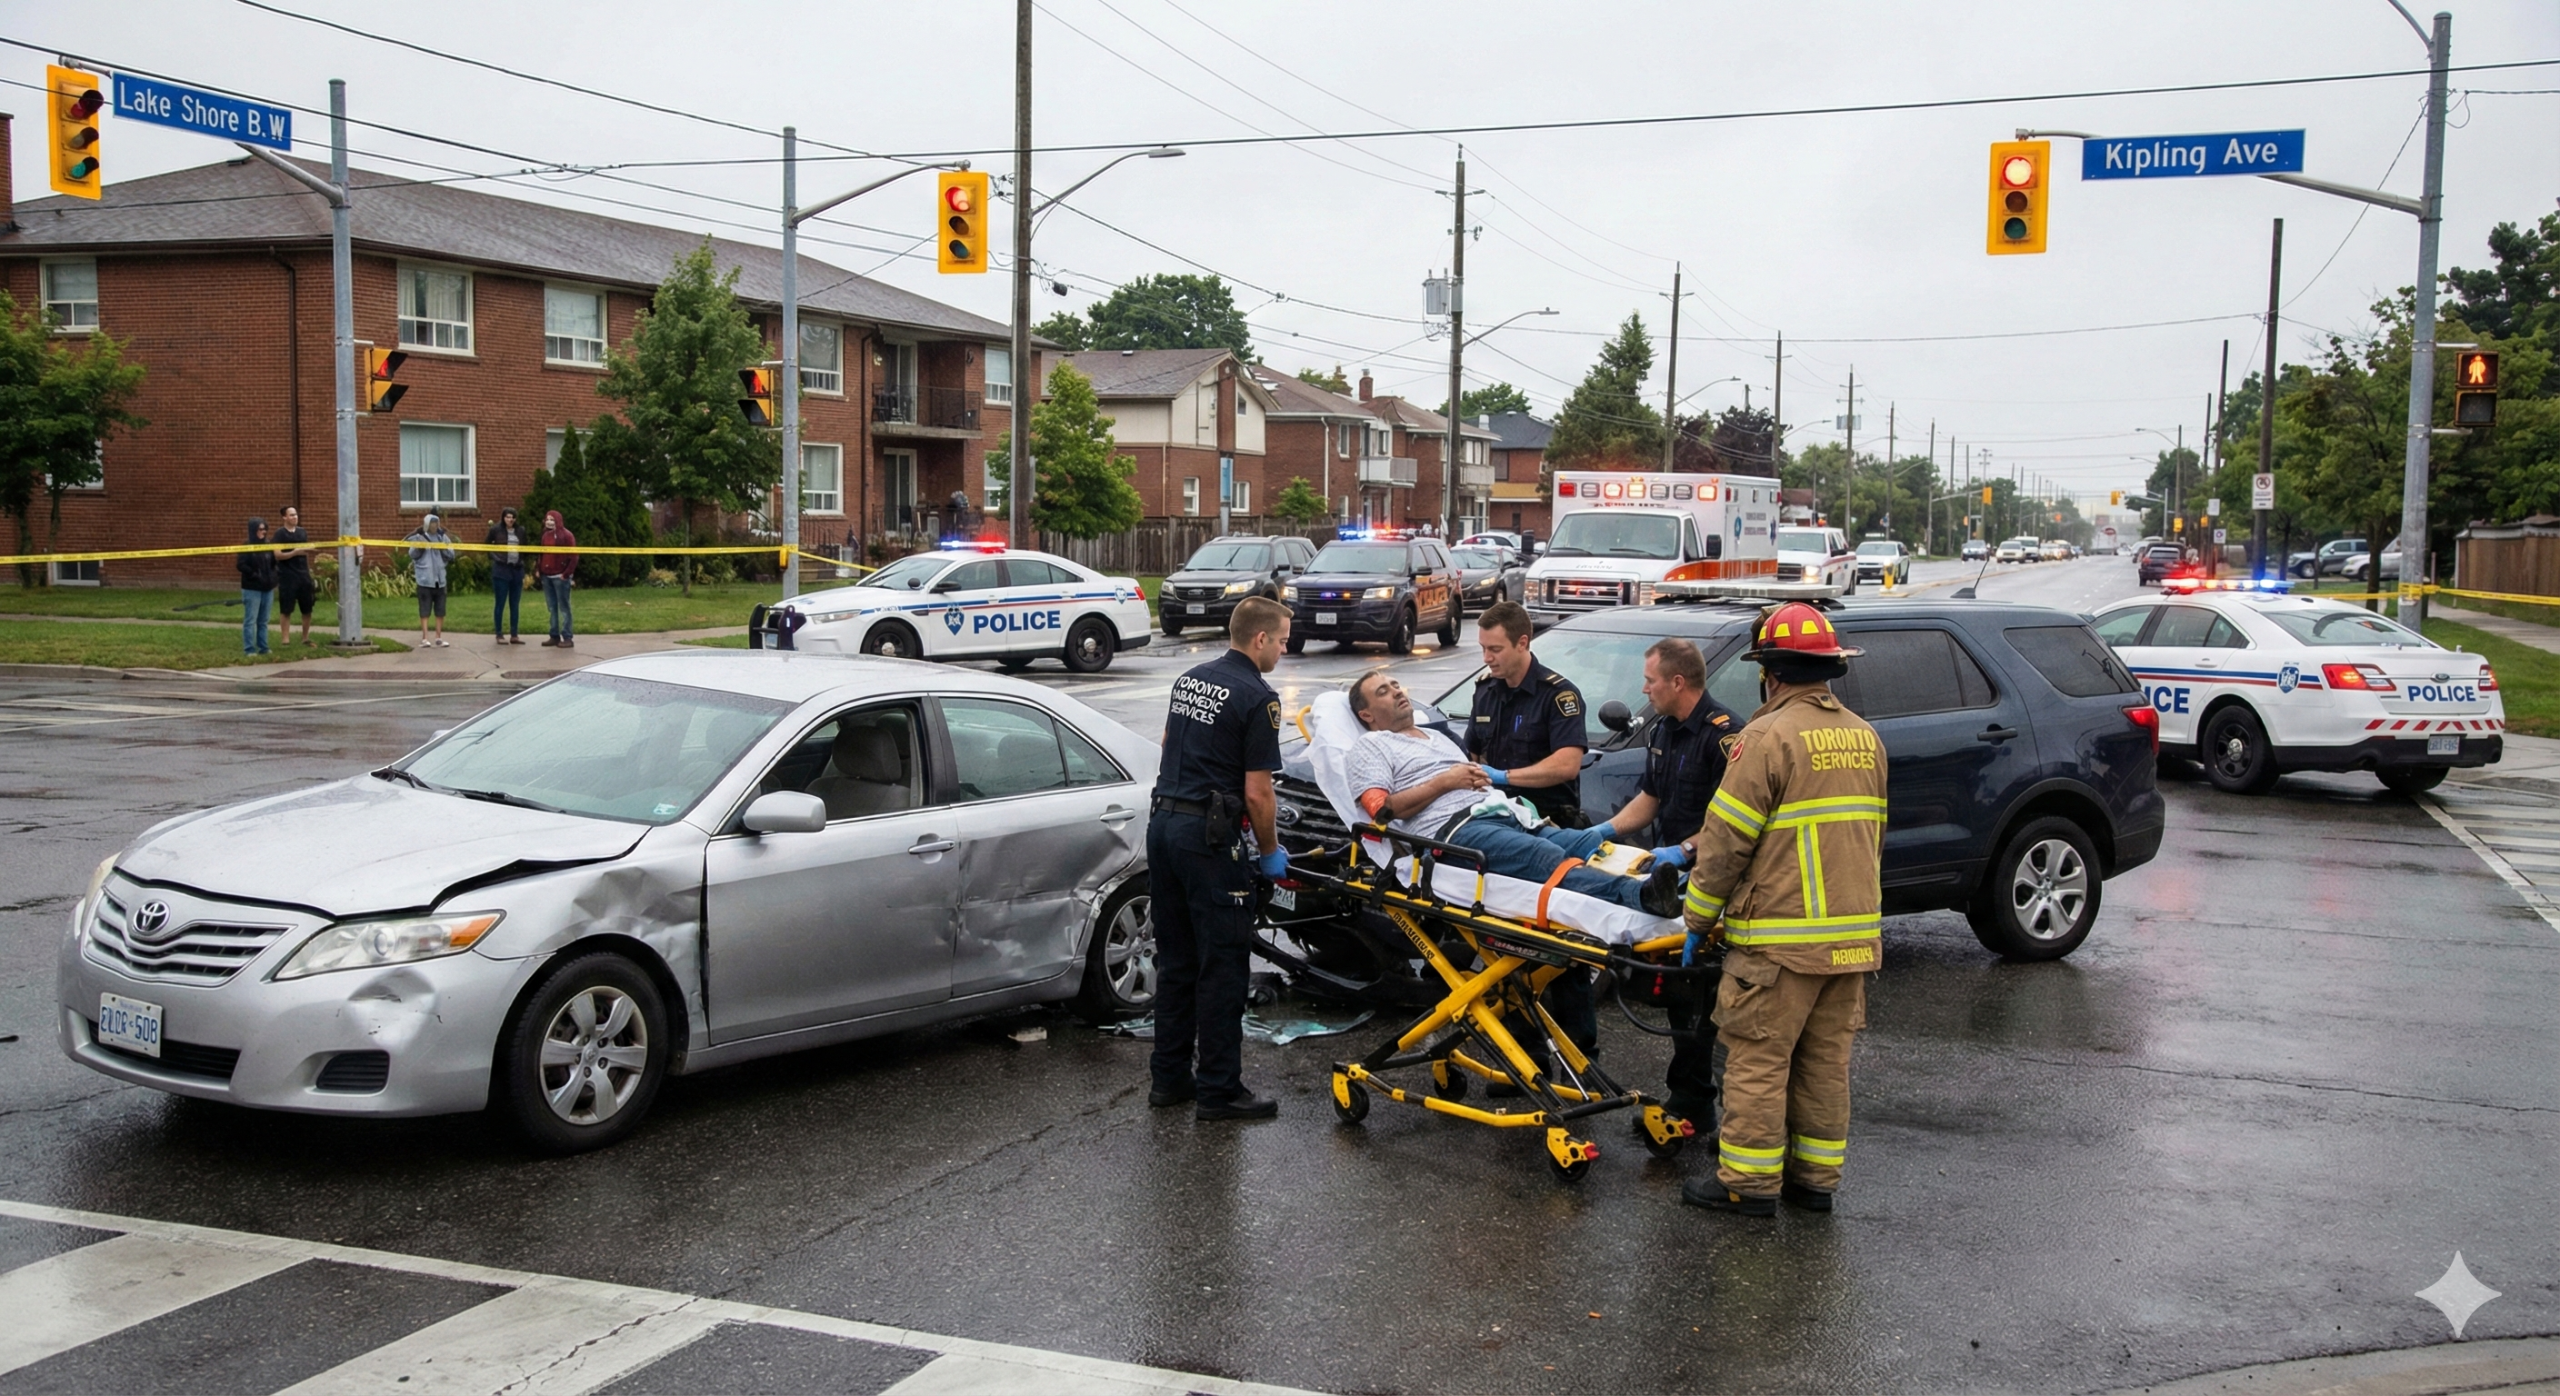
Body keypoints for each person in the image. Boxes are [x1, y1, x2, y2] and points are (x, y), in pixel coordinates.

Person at [1679, 602, 1886, 1218]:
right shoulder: (1863, 736)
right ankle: (1815, 1179)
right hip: (1851, 941)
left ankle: (1748, 1181)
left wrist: (1697, 917)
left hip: (1779, 944)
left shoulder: (1765, 738)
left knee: (1759, 1056)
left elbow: (1725, 842)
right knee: (1825, 1061)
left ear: (1769, 673)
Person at [1347, 670, 1684, 919]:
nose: (1396, 691)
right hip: (1454, 831)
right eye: (1383, 692)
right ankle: (1641, 895)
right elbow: (1382, 813)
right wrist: (1446, 782)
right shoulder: (1371, 746)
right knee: (1544, 856)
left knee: (1582, 842)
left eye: (1395, 684)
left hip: (1502, 813)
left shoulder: (1437, 737)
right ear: (1367, 715)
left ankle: (1674, 880)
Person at [1148, 595, 1291, 1122]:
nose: (1284, 648)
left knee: (1177, 960)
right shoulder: (1259, 697)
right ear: (1259, 639)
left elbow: (1168, 743)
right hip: (1208, 838)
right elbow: (1258, 794)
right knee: (1224, 964)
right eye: (1280, 640)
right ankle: (1218, 1090)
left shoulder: (1191, 678)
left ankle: (1168, 1079)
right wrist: (1271, 854)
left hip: (1163, 824)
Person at [1600, 637, 1740, 1124]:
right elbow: (1650, 799)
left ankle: (1694, 1098)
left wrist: (1684, 850)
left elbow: (1734, 821)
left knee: (1701, 993)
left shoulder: (1724, 738)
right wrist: (1602, 833)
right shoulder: (1664, 730)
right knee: (1681, 990)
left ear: (1677, 682)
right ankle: (1692, 1094)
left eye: (1651, 680)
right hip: (1675, 875)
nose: (1645, 689)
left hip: (1713, 872)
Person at [1465, 600, 1600, 1051]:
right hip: (1502, 832)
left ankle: (1581, 1050)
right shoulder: (1485, 691)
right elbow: (1474, 756)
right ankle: (1525, 1054)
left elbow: (1565, 765)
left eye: (1495, 649)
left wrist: (1506, 779)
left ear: (1523, 643)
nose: (1487, 658)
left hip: (1549, 829)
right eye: (1483, 648)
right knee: (1509, 947)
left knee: (1563, 948)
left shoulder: (1556, 695)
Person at [405, 513, 455, 648]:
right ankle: (425, 637)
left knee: (440, 610)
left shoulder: (442, 538)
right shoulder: (419, 538)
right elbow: (412, 554)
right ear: (427, 524)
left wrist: (443, 548)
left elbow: (451, 555)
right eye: (432, 523)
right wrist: (420, 546)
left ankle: (438, 637)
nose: (434, 526)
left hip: (440, 580)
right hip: (425, 580)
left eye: (436, 523)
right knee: (425, 610)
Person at [271, 506, 316, 647]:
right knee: (286, 609)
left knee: (307, 609)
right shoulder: (279, 534)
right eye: (291, 515)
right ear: (284, 517)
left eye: (295, 514)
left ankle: (305, 638)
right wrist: (294, 553)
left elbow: (306, 552)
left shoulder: (302, 533)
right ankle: (285, 640)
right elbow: (277, 555)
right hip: (287, 577)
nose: (295, 517)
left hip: (303, 576)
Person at [236, 518, 277, 657]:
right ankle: (249, 649)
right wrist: (254, 574)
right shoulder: (246, 546)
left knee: (263, 620)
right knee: (250, 620)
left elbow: (273, 563)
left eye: (264, 529)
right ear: (253, 530)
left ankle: (263, 647)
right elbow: (241, 565)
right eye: (260, 529)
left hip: (268, 587)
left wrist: (273, 576)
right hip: (252, 588)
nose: (263, 532)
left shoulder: (268, 545)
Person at [537, 509, 577, 648]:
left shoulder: (567, 536)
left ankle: (567, 637)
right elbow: (542, 554)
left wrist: (566, 574)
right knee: (552, 607)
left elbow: (573, 556)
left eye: (552, 520)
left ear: (558, 521)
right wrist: (539, 569)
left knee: (564, 608)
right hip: (546, 576)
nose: (549, 522)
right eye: (547, 519)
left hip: (560, 577)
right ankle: (554, 635)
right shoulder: (545, 536)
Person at [487, 508, 527, 645]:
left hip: (516, 570)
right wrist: (497, 558)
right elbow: (486, 547)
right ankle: (499, 634)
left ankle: (514, 634)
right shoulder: (496, 530)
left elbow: (525, 549)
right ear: (503, 517)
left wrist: (522, 562)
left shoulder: (521, 531)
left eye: (513, 517)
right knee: (500, 603)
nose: (510, 520)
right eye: (508, 517)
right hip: (501, 571)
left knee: (514, 604)